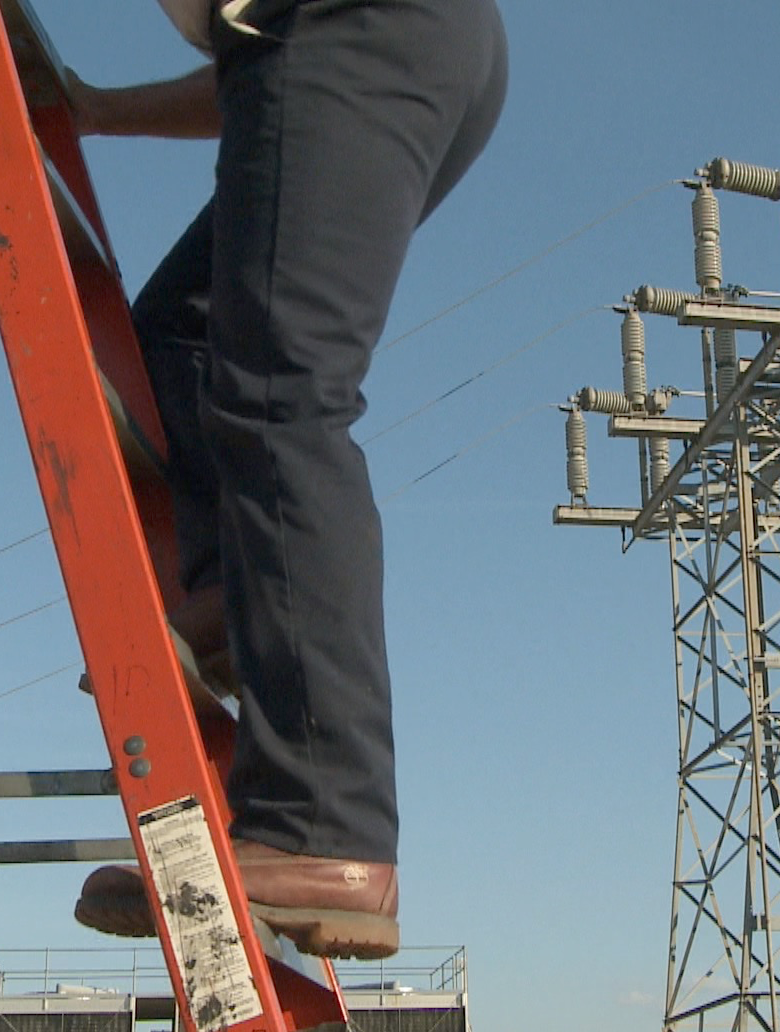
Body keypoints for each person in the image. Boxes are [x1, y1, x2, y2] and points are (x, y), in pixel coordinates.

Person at [70, 0, 508, 959]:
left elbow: (299, 59)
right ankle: (234, 591)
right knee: (180, 338)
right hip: (378, 40)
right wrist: (94, 109)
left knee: (284, 395)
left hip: (362, 27)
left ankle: (320, 824)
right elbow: (257, 76)